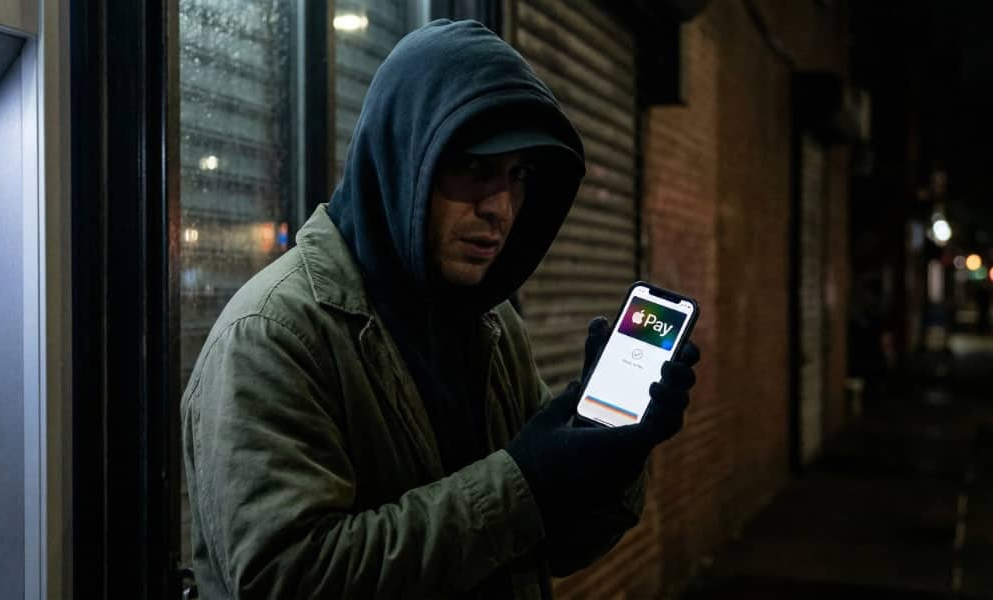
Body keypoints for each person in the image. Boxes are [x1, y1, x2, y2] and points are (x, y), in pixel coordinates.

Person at [181, 19, 700, 599]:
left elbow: (556, 548)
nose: (499, 207)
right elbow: (287, 579)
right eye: (474, 167)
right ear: (405, 158)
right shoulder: (275, 333)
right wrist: (524, 480)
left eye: (518, 176)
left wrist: (612, 456)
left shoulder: (489, 322)